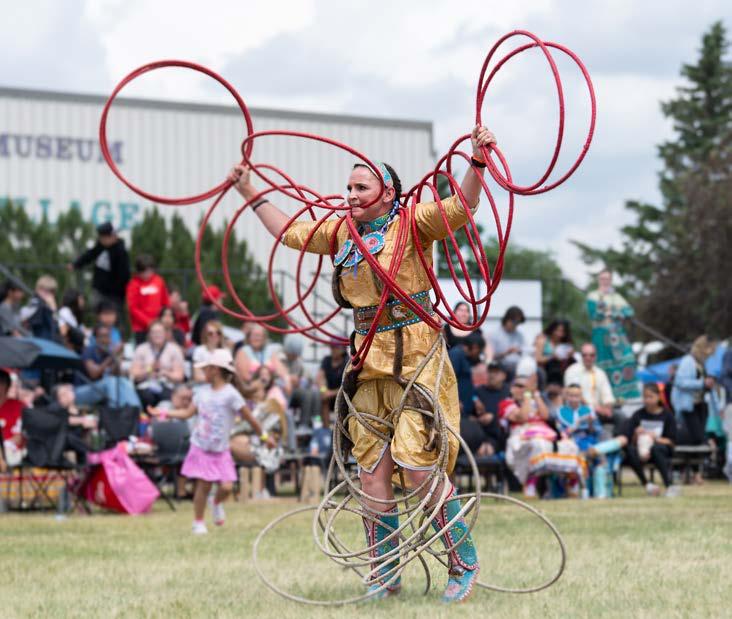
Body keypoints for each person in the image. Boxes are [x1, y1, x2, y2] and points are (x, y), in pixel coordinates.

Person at [227, 124, 496, 602]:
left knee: (418, 466)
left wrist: (476, 161)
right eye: (348, 187)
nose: (349, 195)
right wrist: (249, 190)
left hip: (416, 360)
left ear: (387, 192)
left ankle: (463, 562)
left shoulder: (414, 222)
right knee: (371, 471)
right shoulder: (342, 232)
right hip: (367, 363)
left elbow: (462, 207)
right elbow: (290, 232)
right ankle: (384, 573)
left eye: (360, 187)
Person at [147, 348, 275, 534]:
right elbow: (188, 413)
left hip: (220, 450)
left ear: (215, 370)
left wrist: (264, 437)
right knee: (203, 486)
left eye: (206, 369)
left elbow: (251, 420)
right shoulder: (201, 392)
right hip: (201, 446)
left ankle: (215, 503)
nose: (203, 372)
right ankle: (198, 522)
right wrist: (165, 413)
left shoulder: (231, 394)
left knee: (227, 487)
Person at [586, 270, 640, 400]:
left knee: (627, 360)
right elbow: (595, 315)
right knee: (603, 364)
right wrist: (613, 312)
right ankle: (605, 395)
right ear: (599, 280)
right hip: (602, 335)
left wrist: (612, 313)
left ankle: (624, 394)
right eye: (602, 278)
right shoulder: (593, 295)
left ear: (610, 280)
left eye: (607, 279)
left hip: (618, 335)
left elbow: (629, 311)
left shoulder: (616, 296)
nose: (605, 281)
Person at [499, 377, 555, 497]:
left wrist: (536, 395)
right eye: (518, 386)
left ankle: (567, 486)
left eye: (525, 387)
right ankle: (530, 483)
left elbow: (545, 416)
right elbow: (522, 418)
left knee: (565, 446)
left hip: (542, 434)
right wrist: (528, 396)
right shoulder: (506, 403)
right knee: (538, 444)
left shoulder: (534, 402)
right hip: (519, 436)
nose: (522, 389)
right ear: (512, 389)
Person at [671, 336, 715, 483]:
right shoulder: (688, 361)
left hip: (700, 406)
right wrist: (702, 383)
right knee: (695, 439)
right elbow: (679, 382)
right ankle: (686, 472)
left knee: (696, 441)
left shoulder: (700, 363)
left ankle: (695, 474)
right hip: (688, 407)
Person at [624, 383, 679, 497]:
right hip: (641, 450)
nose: (647, 400)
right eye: (645, 397)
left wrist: (654, 438)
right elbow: (629, 439)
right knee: (630, 451)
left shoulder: (667, 415)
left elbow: (671, 441)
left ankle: (669, 485)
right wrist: (636, 435)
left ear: (658, 397)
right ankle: (647, 485)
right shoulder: (638, 415)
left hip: (660, 449)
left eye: (650, 397)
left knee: (656, 449)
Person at [75, 323, 141, 409]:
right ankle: (115, 411)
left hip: (101, 390)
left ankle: (136, 410)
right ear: (96, 338)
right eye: (103, 336)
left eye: (108, 336)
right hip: (80, 392)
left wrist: (117, 359)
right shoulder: (89, 351)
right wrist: (112, 356)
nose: (106, 339)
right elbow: (94, 374)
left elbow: (116, 375)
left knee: (123, 381)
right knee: (110, 381)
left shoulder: (107, 353)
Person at [70, 222, 131, 313]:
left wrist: (117, 292)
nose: (102, 240)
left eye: (103, 238)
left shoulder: (120, 252)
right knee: (98, 313)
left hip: (114, 295)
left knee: (111, 316)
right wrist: (76, 264)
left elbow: (124, 276)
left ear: (111, 237)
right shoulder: (101, 246)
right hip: (99, 290)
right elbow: (90, 254)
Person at [130, 321, 185, 408]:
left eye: (160, 332)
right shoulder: (141, 349)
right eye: (154, 332)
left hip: (167, 386)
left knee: (168, 397)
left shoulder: (174, 349)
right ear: (149, 334)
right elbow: (134, 374)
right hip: (146, 387)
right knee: (146, 397)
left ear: (166, 334)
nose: (157, 335)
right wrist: (149, 369)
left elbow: (179, 376)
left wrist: (165, 373)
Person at [462, 361, 509, 457]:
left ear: (504, 376)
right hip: (479, 432)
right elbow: (467, 414)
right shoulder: (478, 391)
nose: (492, 375)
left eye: (496, 372)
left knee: (486, 450)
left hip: (498, 435)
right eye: (490, 372)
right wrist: (477, 419)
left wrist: (494, 417)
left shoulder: (508, 392)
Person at [564, 343, 616, 424]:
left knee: (620, 416)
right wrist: (595, 408)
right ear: (581, 356)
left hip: (600, 410)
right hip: (580, 411)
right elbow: (574, 394)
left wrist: (608, 407)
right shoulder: (572, 371)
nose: (588, 358)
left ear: (596, 356)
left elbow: (607, 394)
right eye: (585, 355)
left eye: (592, 355)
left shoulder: (600, 373)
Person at [126, 255, 170, 345]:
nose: (147, 274)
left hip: (159, 325)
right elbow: (133, 308)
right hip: (141, 328)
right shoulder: (133, 284)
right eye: (144, 272)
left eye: (150, 271)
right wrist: (148, 322)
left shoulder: (159, 281)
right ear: (139, 272)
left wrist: (163, 318)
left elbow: (165, 302)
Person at [282, 334, 322, 429]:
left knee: (316, 392)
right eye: (293, 354)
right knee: (306, 394)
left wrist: (305, 379)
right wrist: (291, 379)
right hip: (284, 391)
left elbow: (308, 377)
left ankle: (317, 421)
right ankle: (304, 424)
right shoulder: (280, 359)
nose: (294, 357)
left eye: (296, 355)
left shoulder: (297, 361)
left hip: (296, 389)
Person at [448, 331, 484, 418]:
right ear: (475, 347)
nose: (479, 355)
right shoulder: (456, 354)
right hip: (456, 408)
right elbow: (449, 380)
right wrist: (455, 400)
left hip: (465, 409)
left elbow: (468, 382)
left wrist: (475, 399)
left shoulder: (467, 357)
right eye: (479, 351)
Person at [316, 341, 348, 428]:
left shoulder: (347, 362)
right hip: (328, 394)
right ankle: (325, 429)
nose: (332, 350)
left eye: (335, 348)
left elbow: (347, 386)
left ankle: (340, 429)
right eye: (331, 347)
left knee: (342, 402)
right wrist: (324, 390)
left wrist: (330, 393)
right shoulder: (327, 360)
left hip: (342, 395)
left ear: (342, 350)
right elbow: (320, 377)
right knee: (323, 399)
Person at [534, 319, 574, 386]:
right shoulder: (543, 340)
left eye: (563, 332)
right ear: (552, 329)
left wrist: (570, 355)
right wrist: (551, 357)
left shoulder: (565, 344)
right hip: (546, 369)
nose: (559, 334)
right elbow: (537, 359)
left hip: (561, 369)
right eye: (558, 330)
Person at [20, 275, 60, 341]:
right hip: (39, 341)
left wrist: (53, 308)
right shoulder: (36, 303)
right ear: (38, 289)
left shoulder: (47, 305)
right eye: (46, 290)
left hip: (48, 341)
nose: (49, 294)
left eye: (52, 291)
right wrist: (53, 308)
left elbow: (56, 324)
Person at [489, 306, 525, 378]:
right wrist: (506, 353)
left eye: (518, 323)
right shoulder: (494, 334)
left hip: (519, 364)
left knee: (537, 371)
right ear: (507, 319)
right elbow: (491, 357)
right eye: (514, 322)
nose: (516, 325)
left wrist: (519, 351)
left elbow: (526, 350)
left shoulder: (519, 335)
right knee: (513, 370)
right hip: (502, 365)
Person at [0, 369, 24, 470]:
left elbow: (21, 436)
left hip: (11, 451)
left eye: (1, 383)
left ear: (7, 386)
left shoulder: (19, 407)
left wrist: (5, 444)